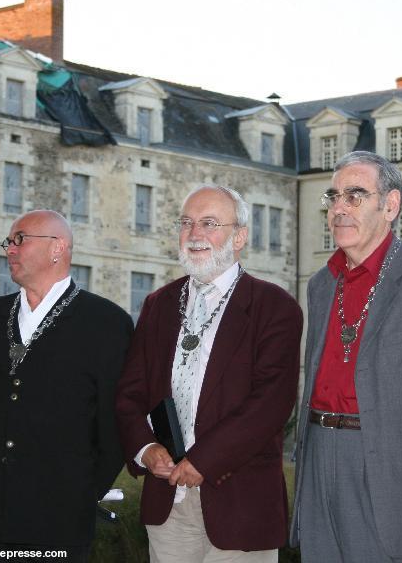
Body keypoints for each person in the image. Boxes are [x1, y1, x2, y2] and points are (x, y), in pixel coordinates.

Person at [115, 185, 303, 562]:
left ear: (240, 237)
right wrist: (145, 448)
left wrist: (203, 461)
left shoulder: (274, 307)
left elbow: (270, 405)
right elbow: (130, 393)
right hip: (168, 502)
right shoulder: (158, 305)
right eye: (187, 223)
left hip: (240, 503)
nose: (195, 233)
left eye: (210, 223)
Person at [290, 151, 402, 563]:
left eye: (356, 195)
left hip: (384, 458)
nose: (339, 208)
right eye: (334, 196)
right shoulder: (322, 283)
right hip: (318, 449)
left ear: (391, 205)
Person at [0, 210, 132, 562]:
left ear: (58, 248)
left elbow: (115, 425)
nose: (9, 250)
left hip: (61, 516)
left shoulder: (106, 324)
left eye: (20, 240)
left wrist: (82, 493)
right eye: (8, 242)